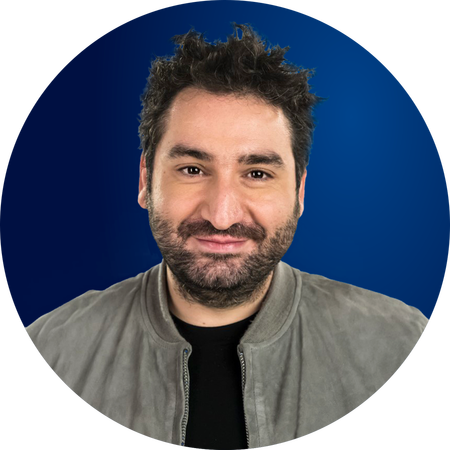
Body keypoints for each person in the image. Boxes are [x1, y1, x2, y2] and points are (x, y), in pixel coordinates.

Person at [24, 23, 429, 450]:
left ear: (299, 192)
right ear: (145, 180)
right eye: (192, 170)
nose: (221, 216)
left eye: (257, 174)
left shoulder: (402, 343)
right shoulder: (52, 348)